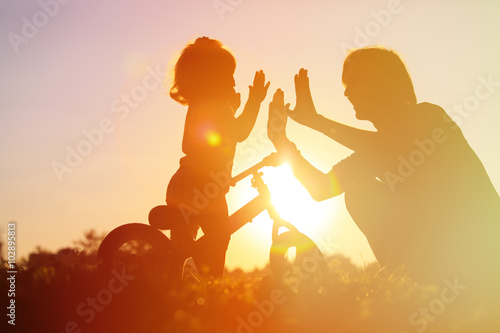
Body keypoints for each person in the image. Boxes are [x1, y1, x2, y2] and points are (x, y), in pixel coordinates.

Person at [267, 46, 500, 319]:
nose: (346, 92)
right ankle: (418, 280)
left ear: (384, 82)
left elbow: (391, 146)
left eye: (354, 81)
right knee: (360, 192)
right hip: (444, 263)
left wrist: (317, 122)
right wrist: (282, 143)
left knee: (361, 192)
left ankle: (426, 282)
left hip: (484, 256)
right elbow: (320, 188)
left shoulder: (429, 117)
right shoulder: (374, 149)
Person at [165, 37, 269, 278]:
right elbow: (239, 132)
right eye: (228, 75)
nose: (234, 81)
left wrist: (231, 109)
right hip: (203, 184)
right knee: (219, 237)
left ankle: (175, 285)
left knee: (181, 248)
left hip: (184, 182)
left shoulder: (201, 104)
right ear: (212, 77)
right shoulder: (215, 105)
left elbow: (216, 137)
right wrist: (254, 101)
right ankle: (210, 288)